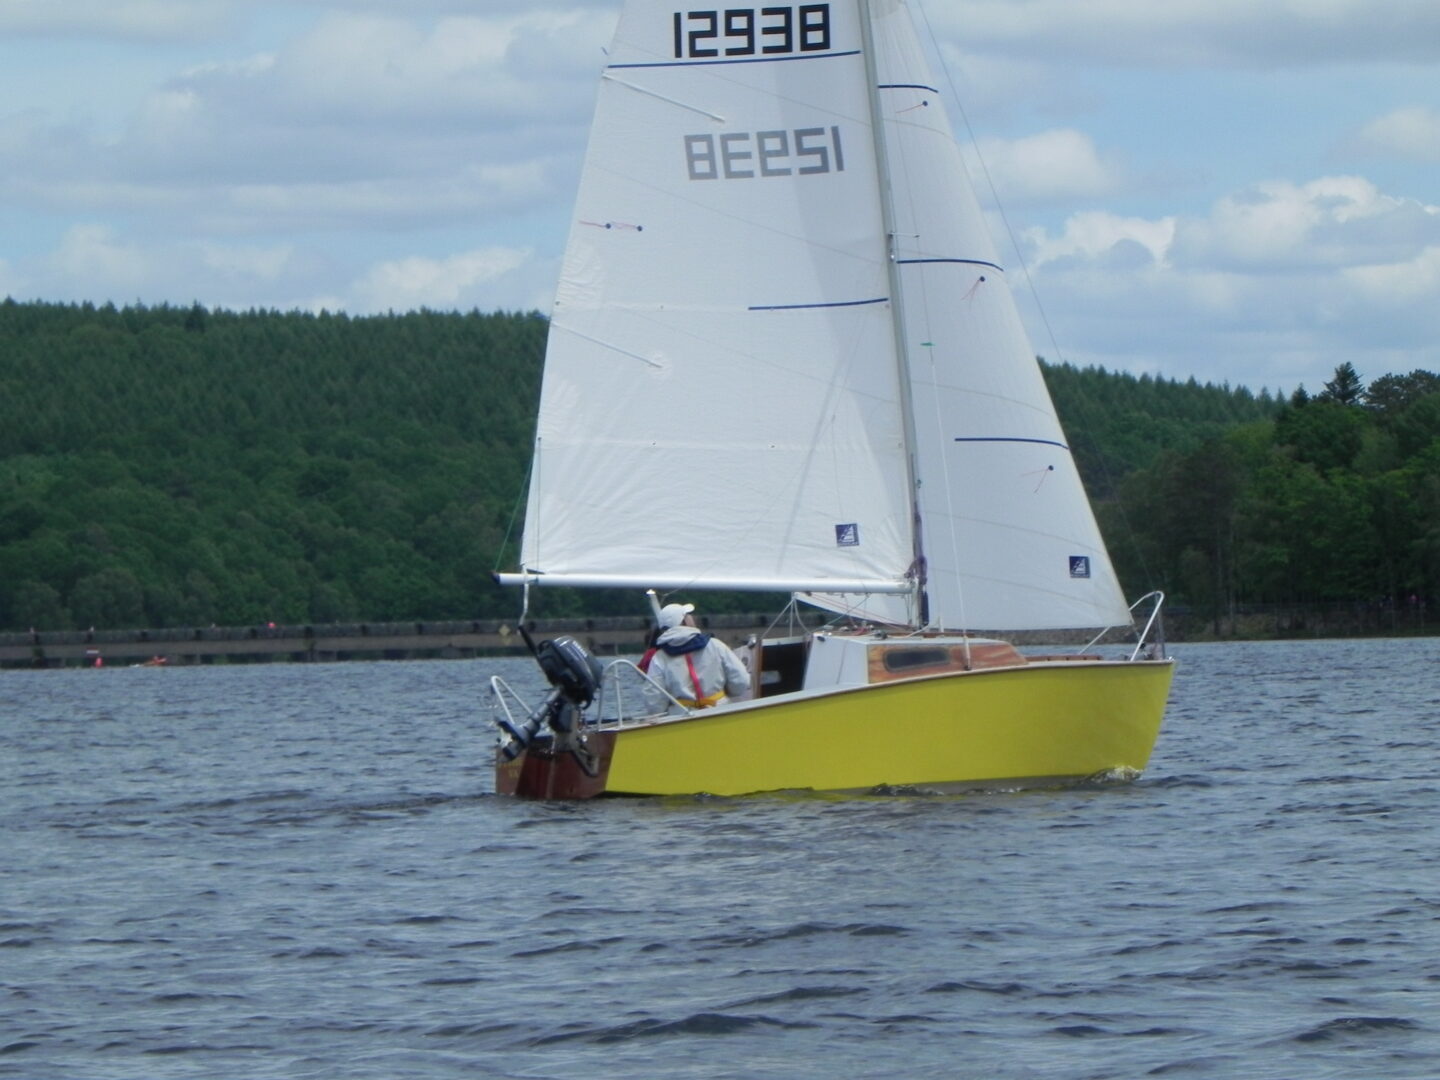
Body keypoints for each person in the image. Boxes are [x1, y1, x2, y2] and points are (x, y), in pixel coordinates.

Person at [644, 602, 750, 710]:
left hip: (682, 715)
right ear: (684, 621)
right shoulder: (715, 645)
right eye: (687, 615)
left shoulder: (659, 657)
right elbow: (741, 681)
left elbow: (654, 700)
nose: (692, 617)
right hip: (719, 709)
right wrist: (728, 694)